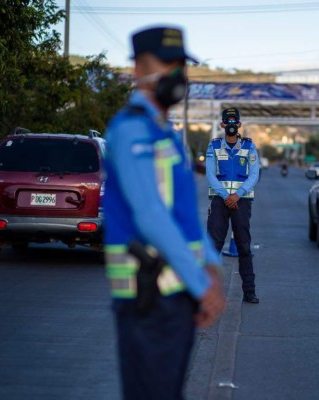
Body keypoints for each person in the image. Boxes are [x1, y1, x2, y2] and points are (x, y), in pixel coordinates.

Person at [102, 26, 225, 399]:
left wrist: (213, 264)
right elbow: (151, 216)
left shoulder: (165, 133)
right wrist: (203, 286)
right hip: (149, 298)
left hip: (173, 298)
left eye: (181, 65)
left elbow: (183, 214)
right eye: (167, 63)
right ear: (139, 68)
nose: (177, 75)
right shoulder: (131, 131)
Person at [206, 107, 261, 304]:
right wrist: (225, 195)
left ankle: (249, 291)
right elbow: (210, 175)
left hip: (242, 201)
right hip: (220, 202)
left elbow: (254, 174)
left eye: (234, 122)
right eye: (227, 122)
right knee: (213, 246)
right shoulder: (213, 146)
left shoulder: (249, 147)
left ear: (239, 124)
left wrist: (237, 195)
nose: (230, 126)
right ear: (222, 125)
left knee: (244, 246)